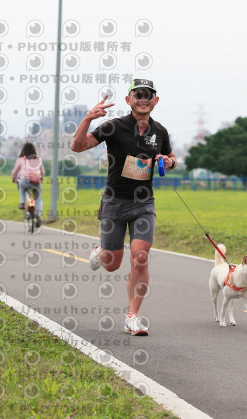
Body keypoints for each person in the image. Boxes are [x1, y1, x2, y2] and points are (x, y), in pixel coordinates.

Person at [70, 78, 177, 336]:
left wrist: (168, 162)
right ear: (129, 99)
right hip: (114, 203)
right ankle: (102, 250)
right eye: (138, 94)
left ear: (155, 100)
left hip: (144, 204)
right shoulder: (113, 126)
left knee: (140, 258)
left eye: (148, 95)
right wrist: (87, 119)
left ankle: (133, 316)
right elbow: (78, 146)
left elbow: (172, 158)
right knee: (111, 264)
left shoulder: (160, 132)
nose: (143, 98)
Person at [11, 142, 44, 227]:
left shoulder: (21, 159)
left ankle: (22, 202)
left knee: (21, 187)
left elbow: (15, 171)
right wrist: (42, 178)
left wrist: (14, 178)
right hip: (36, 182)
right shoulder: (38, 159)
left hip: (24, 181)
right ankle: (39, 217)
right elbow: (42, 172)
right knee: (38, 199)